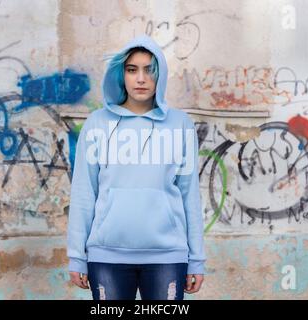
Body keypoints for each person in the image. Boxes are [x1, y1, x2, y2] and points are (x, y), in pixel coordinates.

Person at [67, 34, 205, 300]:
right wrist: (76, 256)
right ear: (122, 74)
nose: (141, 78)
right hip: (107, 256)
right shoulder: (97, 124)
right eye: (132, 70)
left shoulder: (181, 124)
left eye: (149, 70)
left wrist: (197, 259)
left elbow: (190, 195)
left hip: (168, 256)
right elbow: (84, 192)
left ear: (160, 75)